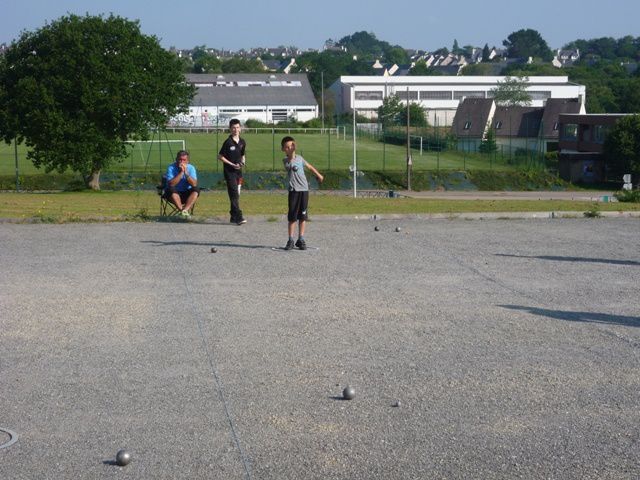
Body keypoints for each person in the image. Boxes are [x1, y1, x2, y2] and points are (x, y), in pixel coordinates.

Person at [281, 136, 324, 250]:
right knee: (292, 217)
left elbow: (309, 167)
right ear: (283, 149)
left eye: (291, 146)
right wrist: (291, 153)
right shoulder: (286, 161)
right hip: (294, 191)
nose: (289, 148)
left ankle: (301, 239)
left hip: (304, 190)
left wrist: (318, 175)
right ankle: (290, 240)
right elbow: (289, 165)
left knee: (303, 216)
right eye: (287, 147)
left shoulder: (300, 158)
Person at [218, 118, 246, 225]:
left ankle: (233, 216)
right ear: (230, 129)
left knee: (236, 195)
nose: (236, 130)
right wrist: (232, 164)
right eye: (233, 128)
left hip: (239, 172)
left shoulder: (242, 142)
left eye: (237, 127)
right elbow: (220, 156)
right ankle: (239, 216)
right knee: (234, 194)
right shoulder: (228, 142)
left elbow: (243, 155)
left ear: (240, 128)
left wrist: (242, 163)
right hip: (230, 172)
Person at [164, 150, 201, 217]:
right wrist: (181, 173)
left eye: (184, 160)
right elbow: (171, 184)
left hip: (187, 195)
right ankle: (182, 211)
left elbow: (194, 184)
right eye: (180, 159)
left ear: (187, 161)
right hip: (173, 195)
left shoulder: (191, 168)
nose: (181, 162)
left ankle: (184, 211)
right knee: (171, 189)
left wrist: (186, 173)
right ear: (176, 159)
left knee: (196, 189)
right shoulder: (171, 168)